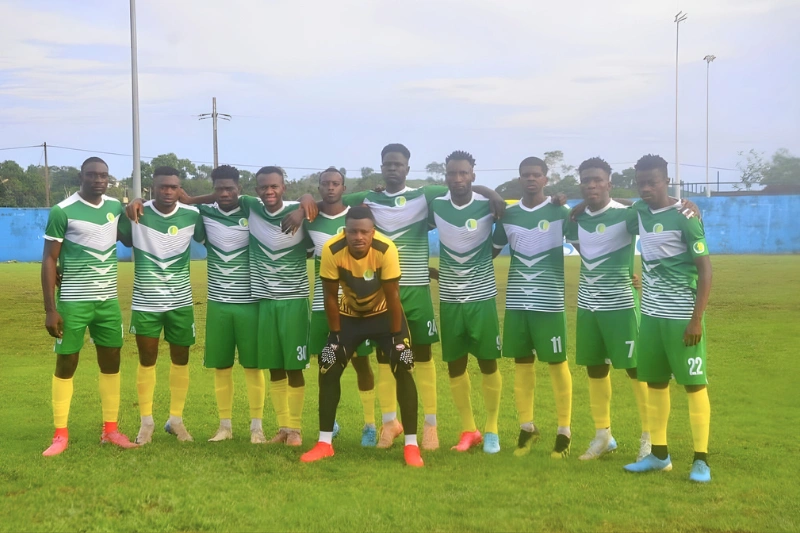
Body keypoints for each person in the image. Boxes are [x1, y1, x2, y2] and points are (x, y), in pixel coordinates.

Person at [289, 143, 505, 451]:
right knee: (385, 357)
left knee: (423, 356)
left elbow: (459, 184)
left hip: (416, 290)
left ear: (407, 167)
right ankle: (390, 423)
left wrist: (493, 194)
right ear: (381, 167)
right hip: (379, 294)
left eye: (398, 164)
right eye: (387, 164)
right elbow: (327, 198)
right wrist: (305, 200)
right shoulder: (367, 198)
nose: (392, 168)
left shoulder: (425, 195)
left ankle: (430, 425)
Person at [300, 206, 423, 467]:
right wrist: (335, 335)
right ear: (345, 232)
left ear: (372, 232)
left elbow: (393, 296)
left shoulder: (386, 248)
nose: (358, 237)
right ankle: (324, 443)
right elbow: (330, 297)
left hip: (386, 316)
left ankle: (412, 446)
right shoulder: (332, 250)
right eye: (353, 231)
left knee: (404, 364)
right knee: (328, 364)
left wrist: (398, 340)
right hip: (349, 318)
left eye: (364, 232)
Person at [623, 154, 713, 483]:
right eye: (641, 183)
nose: (646, 188)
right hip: (650, 316)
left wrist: (696, 320)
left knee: (693, 385)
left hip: (682, 317)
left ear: (666, 181)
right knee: (656, 384)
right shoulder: (639, 212)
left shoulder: (686, 215)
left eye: (653, 182)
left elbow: (705, 270)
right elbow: (615, 205)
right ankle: (659, 455)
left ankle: (701, 460)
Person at [40, 157, 138, 456]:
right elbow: (49, 259)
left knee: (111, 364)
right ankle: (60, 435)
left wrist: (134, 208)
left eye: (104, 175)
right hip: (72, 302)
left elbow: (130, 240)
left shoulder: (112, 208)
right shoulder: (63, 210)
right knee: (67, 362)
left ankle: (110, 430)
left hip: (108, 302)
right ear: (80, 176)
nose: (99, 180)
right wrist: (50, 308)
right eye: (93, 175)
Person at [565, 157, 651, 461]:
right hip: (588, 307)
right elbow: (587, 252)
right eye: (586, 180)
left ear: (609, 183)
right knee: (595, 369)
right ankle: (603, 435)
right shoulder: (575, 220)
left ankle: (649, 437)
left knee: (635, 369)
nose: (592, 185)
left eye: (598, 180)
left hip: (622, 306)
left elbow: (656, 219)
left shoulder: (627, 215)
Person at [491, 156, 573, 459]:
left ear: (546, 179)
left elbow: (588, 243)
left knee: (556, 363)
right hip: (517, 303)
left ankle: (564, 431)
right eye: (526, 175)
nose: (531, 179)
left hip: (549, 303)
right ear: (519, 178)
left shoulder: (560, 211)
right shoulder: (508, 216)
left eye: (536, 175)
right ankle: (527, 428)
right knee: (521, 363)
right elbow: (490, 251)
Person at [119, 166, 203, 444]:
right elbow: (114, 237)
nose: (168, 191)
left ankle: (176, 421)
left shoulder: (192, 215)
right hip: (145, 302)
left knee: (181, 360)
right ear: (152, 188)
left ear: (180, 189)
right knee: (147, 360)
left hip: (181, 302)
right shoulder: (135, 214)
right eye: (163, 186)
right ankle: (146, 424)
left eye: (174, 187)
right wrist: (132, 203)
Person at [429, 150, 503, 454]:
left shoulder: (489, 207)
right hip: (448, 299)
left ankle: (492, 430)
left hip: (482, 299)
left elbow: (497, 247)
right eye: (451, 174)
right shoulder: (435, 205)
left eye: (463, 173)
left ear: (473, 174)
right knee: (455, 366)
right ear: (445, 176)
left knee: (488, 363)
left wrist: (492, 192)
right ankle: (468, 429)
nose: (457, 179)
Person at [304, 168, 377, 447]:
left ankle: (370, 423)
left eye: (335, 184)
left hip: (357, 307)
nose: (330, 188)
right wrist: (303, 203)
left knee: (362, 364)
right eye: (324, 184)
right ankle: (330, 422)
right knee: (326, 363)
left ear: (344, 187)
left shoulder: (355, 217)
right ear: (319, 187)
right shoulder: (310, 220)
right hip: (324, 306)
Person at [244, 167, 314, 446]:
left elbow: (324, 200)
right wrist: (188, 200)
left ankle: (296, 429)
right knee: (274, 367)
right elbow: (221, 194)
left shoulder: (302, 211)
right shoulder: (250, 207)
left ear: (284, 187)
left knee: (294, 368)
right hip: (264, 301)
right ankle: (284, 427)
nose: (269, 192)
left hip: (294, 301)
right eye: (263, 187)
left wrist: (304, 202)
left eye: (274, 186)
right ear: (256, 190)